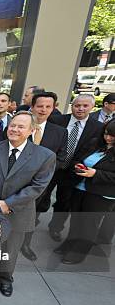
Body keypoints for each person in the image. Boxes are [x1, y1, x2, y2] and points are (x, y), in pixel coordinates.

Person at [0, 112, 56, 297]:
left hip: (19, 211)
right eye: (13, 125)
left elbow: (38, 187)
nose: (15, 129)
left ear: (31, 131)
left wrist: (8, 204)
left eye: (21, 127)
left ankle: (5, 277)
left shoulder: (44, 156)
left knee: (11, 248)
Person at [55, 120, 115, 264]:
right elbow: (78, 158)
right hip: (80, 187)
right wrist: (78, 166)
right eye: (106, 133)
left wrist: (95, 173)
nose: (108, 138)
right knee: (76, 220)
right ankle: (70, 243)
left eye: (113, 136)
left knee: (89, 224)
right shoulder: (95, 143)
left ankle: (79, 252)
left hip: (100, 194)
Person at [47, 94, 104, 242]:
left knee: (64, 202)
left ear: (92, 108)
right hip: (51, 167)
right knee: (41, 198)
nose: (80, 109)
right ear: (72, 105)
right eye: (77, 105)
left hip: (73, 171)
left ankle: (56, 227)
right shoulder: (57, 121)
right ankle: (31, 225)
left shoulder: (97, 128)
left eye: (85, 106)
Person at [19, 92, 68, 261]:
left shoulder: (60, 132)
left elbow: (61, 158)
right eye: (40, 106)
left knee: (34, 215)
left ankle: (25, 243)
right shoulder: (18, 126)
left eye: (48, 106)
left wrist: (43, 172)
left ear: (54, 108)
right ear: (32, 107)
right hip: (16, 182)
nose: (43, 110)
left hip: (42, 185)